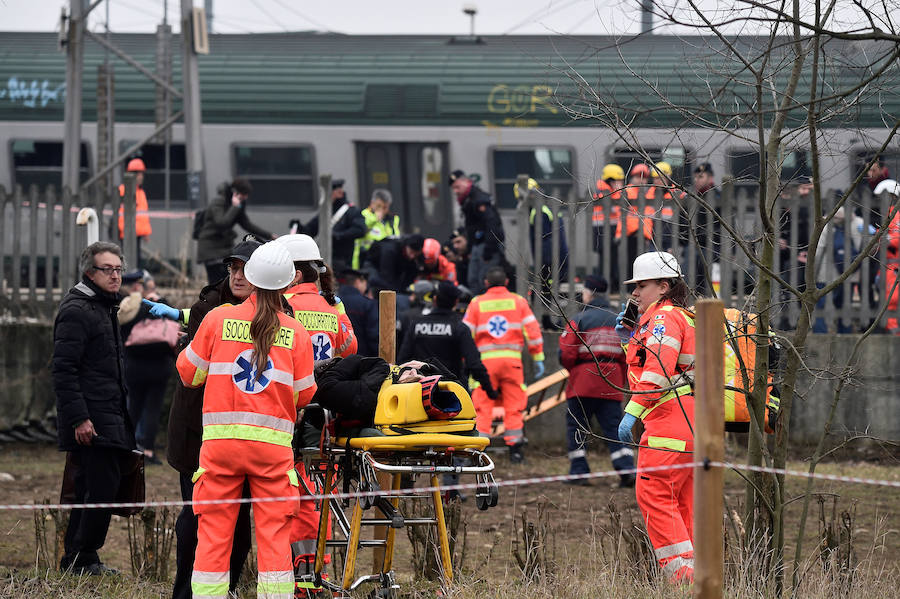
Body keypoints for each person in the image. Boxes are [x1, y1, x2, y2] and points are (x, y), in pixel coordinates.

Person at [176, 241, 317, 599]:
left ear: (251, 279)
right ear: (287, 284)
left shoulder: (217, 318)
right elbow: (304, 395)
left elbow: (189, 374)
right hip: (272, 453)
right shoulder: (296, 332)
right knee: (274, 537)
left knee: (213, 535)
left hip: (220, 449)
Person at [164, 238, 261, 599]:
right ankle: (185, 593)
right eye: (233, 267)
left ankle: (228, 589)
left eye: (246, 269)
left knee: (239, 529)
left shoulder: (278, 315)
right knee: (194, 521)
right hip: (199, 436)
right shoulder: (207, 309)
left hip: (251, 440)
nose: (237, 275)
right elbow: (191, 374)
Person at [53, 241, 136, 575]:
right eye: (107, 270)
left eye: (118, 269)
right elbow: (63, 370)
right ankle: (83, 557)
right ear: (89, 272)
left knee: (94, 487)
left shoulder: (104, 306)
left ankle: (77, 559)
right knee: (101, 486)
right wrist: (79, 418)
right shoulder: (77, 310)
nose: (115, 276)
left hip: (109, 413)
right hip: (92, 418)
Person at [615, 251, 696, 583]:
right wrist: (629, 339)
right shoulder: (680, 316)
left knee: (654, 493)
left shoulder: (663, 319)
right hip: (689, 424)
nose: (634, 293)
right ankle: (697, 576)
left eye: (641, 286)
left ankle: (683, 578)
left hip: (668, 423)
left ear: (664, 286)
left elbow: (658, 372)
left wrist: (631, 412)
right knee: (682, 502)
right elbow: (657, 364)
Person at [558, 274, 635, 487]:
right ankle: (627, 470)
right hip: (612, 382)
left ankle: (579, 472)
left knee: (577, 427)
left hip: (582, 383)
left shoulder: (579, 319)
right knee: (615, 428)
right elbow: (629, 353)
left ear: (588, 293)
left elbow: (566, 353)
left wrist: (575, 369)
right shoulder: (619, 320)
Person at [463, 266, 544, 463]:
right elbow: (533, 331)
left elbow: (465, 334)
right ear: (507, 282)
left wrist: (465, 361)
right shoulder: (518, 302)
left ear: (486, 283)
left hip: (485, 365)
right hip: (511, 363)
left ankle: (478, 451)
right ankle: (516, 451)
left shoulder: (477, 303)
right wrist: (537, 357)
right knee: (514, 405)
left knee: (482, 406)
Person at [118, 270, 176, 465]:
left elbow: (122, 330)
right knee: (153, 409)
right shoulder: (158, 304)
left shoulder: (126, 305)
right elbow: (172, 321)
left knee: (132, 407)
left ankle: (127, 448)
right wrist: (160, 300)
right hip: (159, 366)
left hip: (134, 365)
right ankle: (148, 451)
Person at [278, 233, 358, 363]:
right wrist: (341, 314)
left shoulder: (277, 304)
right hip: (324, 375)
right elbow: (351, 349)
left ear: (295, 276)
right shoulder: (330, 309)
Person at [196, 178, 275, 284]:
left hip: (224, 248)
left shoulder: (237, 205)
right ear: (235, 192)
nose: (246, 197)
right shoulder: (219, 202)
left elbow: (247, 224)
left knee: (226, 282)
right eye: (244, 194)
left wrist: (269, 235)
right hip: (211, 248)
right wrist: (234, 207)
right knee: (217, 283)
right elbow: (222, 223)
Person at [449, 170, 506, 294]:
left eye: (457, 187)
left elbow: (492, 223)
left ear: (466, 182)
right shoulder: (468, 199)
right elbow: (471, 227)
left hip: (486, 245)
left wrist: (489, 250)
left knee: (484, 281)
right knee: (473, 280)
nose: (456, 191)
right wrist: (470, 248)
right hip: (477, 245)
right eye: (454, 188)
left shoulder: (479, 199)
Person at [301, 179, 367, 273]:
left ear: (339, 193)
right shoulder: (327, 211)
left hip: (343, 261)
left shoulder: (351, 211)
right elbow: (311, 230)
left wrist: (338, 235)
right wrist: (300, 227)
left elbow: (360, 230)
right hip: (326, 259)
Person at [593, 164, 625, 286]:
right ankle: (604, 284)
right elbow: (614, 208)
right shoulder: (602, 192)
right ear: (610, 181)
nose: (621, 183)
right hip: (602, 230)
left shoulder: (608, 191)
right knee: (605, 259)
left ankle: (610, 283)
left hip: (609, 228)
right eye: (618, 181)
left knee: (611, 258)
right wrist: (619, 192)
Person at [353, 188, 401, 269]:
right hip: (366, 258)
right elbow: (362, 230)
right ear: (372, 203)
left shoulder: (392, 220)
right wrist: (375, 219)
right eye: (379, 206)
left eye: (385, 207)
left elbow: (396, 236)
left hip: (385, 258)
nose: (381, 210)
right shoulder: (363, 215)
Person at [117, 158, 152, 267]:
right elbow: (120, 213)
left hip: (137, 233)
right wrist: (123, 230)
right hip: (127, 232)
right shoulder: (123, 190)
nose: (141, 177)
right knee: (127, 261)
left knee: (136, 261)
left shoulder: (141, 192)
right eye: (139, 174)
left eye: (142, 174)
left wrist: (146, 233)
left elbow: (143, 215)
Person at [337, 269, 379, 357]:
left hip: (337, 359)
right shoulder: (367, 304)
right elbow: (374, 336)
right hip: (362, 359)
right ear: (358, 281)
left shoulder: (332, 302)